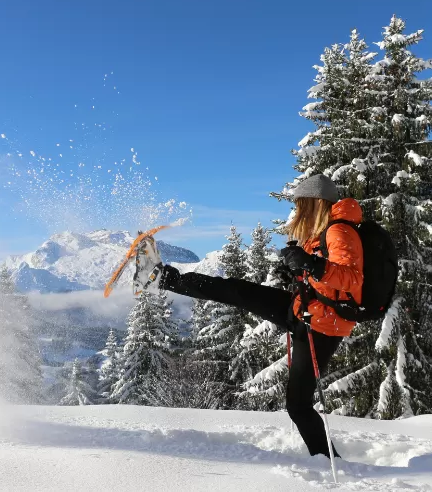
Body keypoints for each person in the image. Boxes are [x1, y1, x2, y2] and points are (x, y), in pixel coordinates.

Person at [133, 174, 363, 458]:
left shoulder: (340, 231)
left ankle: (330, 463)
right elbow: (324, 278)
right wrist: (298, 270)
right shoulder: (324, 232)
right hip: (304, 310)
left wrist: (311, 265)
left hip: (321, 326)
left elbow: (352, 279)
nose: (297, 210)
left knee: (298, 405)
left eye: (301, 203)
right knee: (235, 290)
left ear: (314, 203)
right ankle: (162, 277)